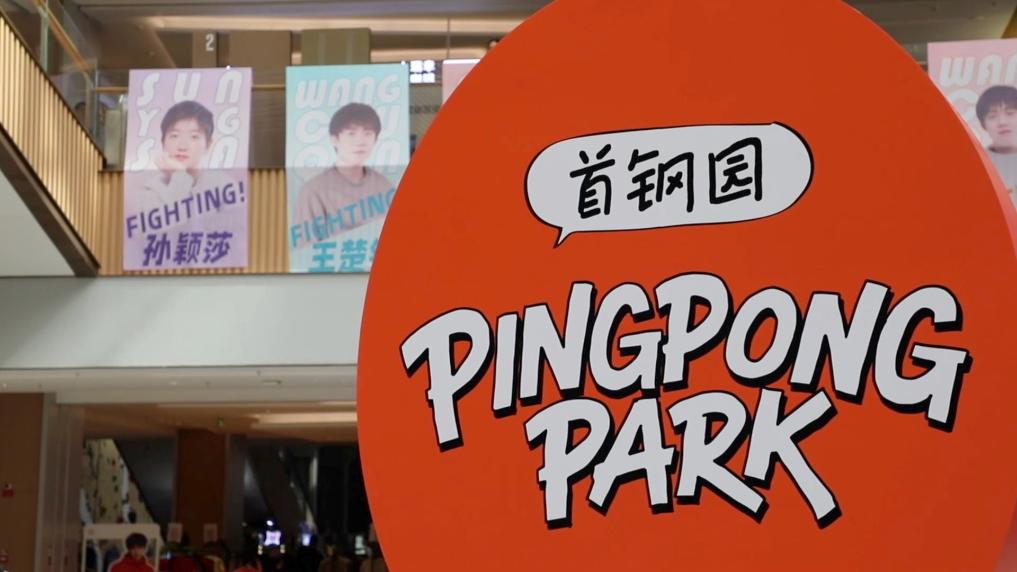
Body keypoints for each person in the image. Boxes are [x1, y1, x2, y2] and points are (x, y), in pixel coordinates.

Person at [292, 103, 395, 242]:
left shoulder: (385, 187)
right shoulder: (313, 191)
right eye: (351, 134)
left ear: (375, 140)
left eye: (367, 133)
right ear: (334, 140)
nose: (360, 141)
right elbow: (305, 248)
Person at [134, 100, 232, 211]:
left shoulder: (223, 185)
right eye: (174, 136)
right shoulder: (150, 190)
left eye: (194, 137)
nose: (182, 146)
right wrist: (180, 177)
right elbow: (175, 221)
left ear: (208, 144)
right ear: (162, 142)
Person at [976, 85, 1017, 208]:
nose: (1002, 122)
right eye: (992, 116)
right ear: (983, 124)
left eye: (1010, 113)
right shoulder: (976, 163)